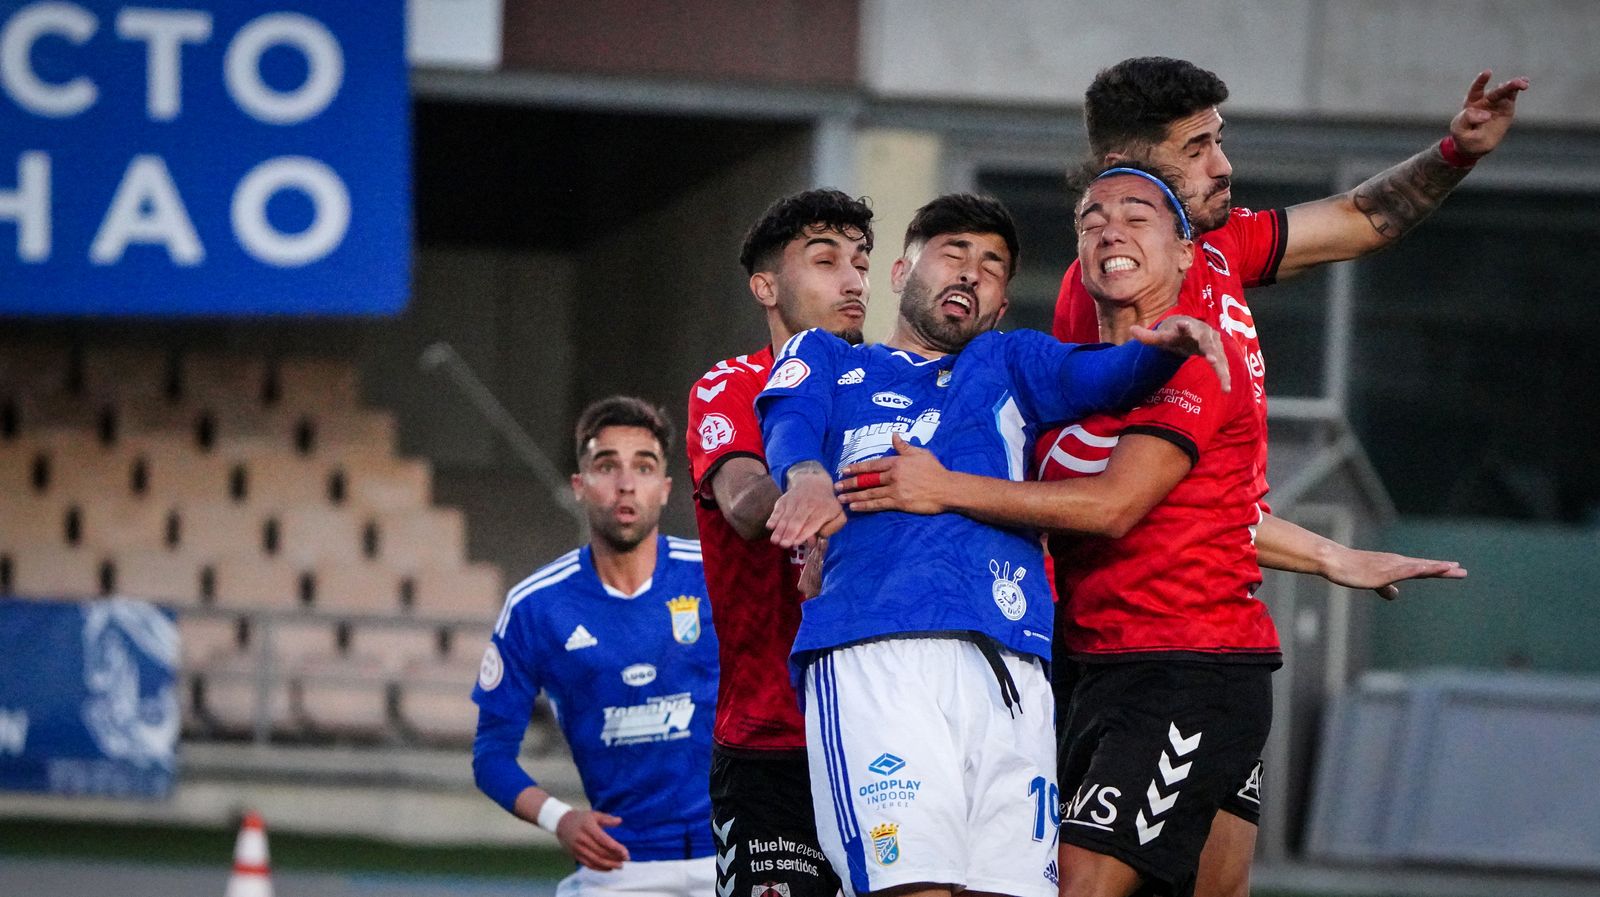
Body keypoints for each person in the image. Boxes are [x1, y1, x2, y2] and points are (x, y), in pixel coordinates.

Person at [831, 166, 1464, 897]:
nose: (1111, 231)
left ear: (1186, 253)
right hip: (1091, 664)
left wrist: (943, 489)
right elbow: (1213, 513)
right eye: (1092, 219)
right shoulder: (1062, 377)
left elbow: (1114, 506)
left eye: (1137, 216)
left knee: (1081, 884)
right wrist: (1329, 553)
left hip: (1189, 663)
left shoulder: (1192, 363)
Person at [757, 192, 1232, 897]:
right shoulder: (827, 356)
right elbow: (791, 420)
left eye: (992, 266)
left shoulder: (1008, 363)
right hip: (880, 650)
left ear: (1003, 304)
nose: (972, 272)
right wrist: (804, 479)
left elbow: (1099, 376)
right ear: (901, 271)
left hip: (1014, 669)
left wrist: (1160, 350)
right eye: (954, 253)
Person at [1055, 58, 1528, 404]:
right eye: (1195, 149)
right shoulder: (1108, 287)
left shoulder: (1218, 240)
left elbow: (1362, 219)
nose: (1223, 166)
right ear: (1122, 171)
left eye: (1217, 142)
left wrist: (1457, 152)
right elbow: (1142, 497)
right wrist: (1330, 549)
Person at [685, 189, 873, 897]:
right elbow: (742, 503)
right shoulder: (731, 386)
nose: (852, 279)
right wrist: (826, 493)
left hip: (881, 735)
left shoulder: (887, 387)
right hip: (772, 742)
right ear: (766, 286)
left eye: (860, 260)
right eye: (825, 260)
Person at [472, 396, 718, 897]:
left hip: (735, 858)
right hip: (621, 869)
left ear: (666, 489)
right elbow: (490, 755)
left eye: (644, 467)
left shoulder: (717, 577)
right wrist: (559, 818)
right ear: (580, 487)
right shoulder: (535, 607)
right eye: (607, 466)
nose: (626, 484)